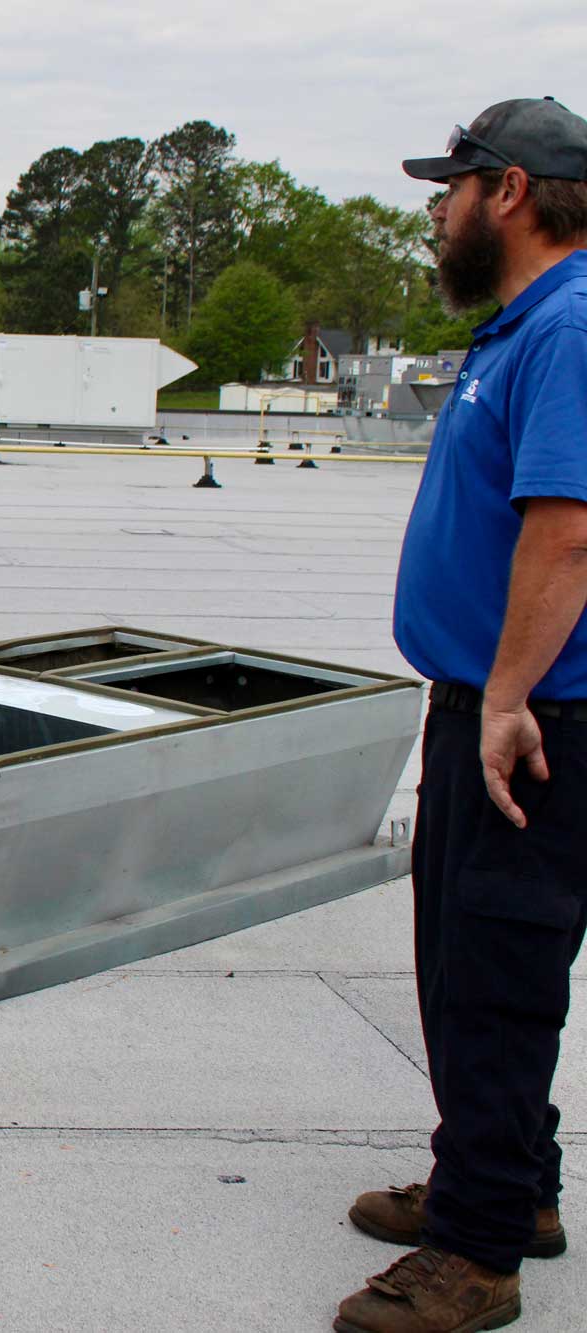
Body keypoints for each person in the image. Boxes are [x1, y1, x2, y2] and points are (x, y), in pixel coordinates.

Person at [336, 97, 587, 1333]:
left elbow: (569, 527)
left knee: (492, 971)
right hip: (487, 704)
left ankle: (475, 1251)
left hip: (534, 718)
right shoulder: (524, 326)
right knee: (466, 958)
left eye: (449, 188)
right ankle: (508, 1182)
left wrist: (500, 700)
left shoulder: (573, 326)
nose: (433, 211)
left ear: (511, 191)